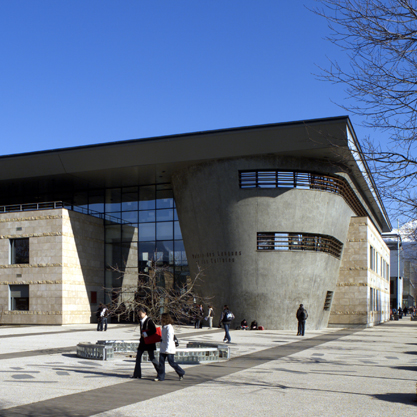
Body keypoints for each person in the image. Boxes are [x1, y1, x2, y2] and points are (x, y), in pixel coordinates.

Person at [155, 313, 185, 382]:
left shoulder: (169, 327)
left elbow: (169, 339)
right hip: (163, 347)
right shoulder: (164, 326)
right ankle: (161, 377)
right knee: (161, 363)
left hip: (169, 348)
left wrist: (167, 349)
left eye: (162, 318)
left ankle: (181, 372)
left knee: (171, 362)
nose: (161, 319)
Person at [131, 307, 159, 379]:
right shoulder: (141, 321)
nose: (139, 315)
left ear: (145, 313)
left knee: (152, 358)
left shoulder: (149, 320)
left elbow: (154, 330)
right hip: (143, 342)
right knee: (138, 357)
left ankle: (160, 371)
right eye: (138, 314)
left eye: (140, 314)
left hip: (149, 342)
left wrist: (146, 334)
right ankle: (137, 374)